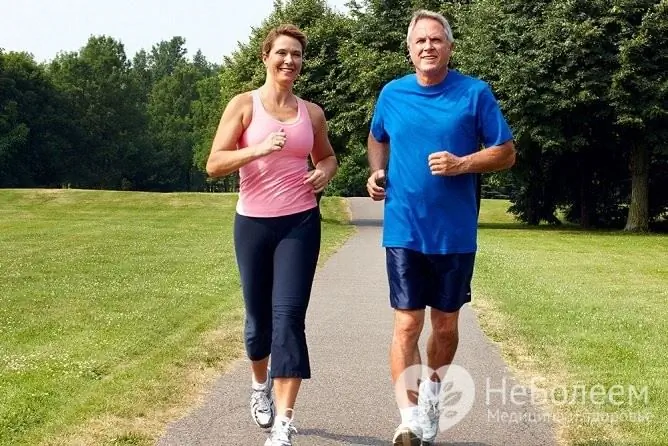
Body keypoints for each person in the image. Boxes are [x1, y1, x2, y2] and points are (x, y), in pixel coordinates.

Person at [366, 10, 516, 446]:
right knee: (407, 324)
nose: (428, 47)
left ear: (449, 47)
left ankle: (432, 393)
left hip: (454, 233)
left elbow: (506, 152)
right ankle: (409, 419)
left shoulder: (474, 94)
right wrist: (378, 172)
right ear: (409, 50)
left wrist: (462, 163)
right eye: (420, 42)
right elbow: (378, 137)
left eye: (436, 40)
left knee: (445, 325)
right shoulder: (392, 93)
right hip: (404, 229)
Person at [206, 24, 337, 446]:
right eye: (282, 53)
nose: (289, 61)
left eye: (297, 55)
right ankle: (258, 385)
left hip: (299, 223)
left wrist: (323, 173)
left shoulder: (311, 113)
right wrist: (258, 149)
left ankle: (284, 423)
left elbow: (328, 157)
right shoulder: (244, 106)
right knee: (258, 323)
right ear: (265, 57)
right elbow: (214, 163)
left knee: (288, 320)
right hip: (253, 225)